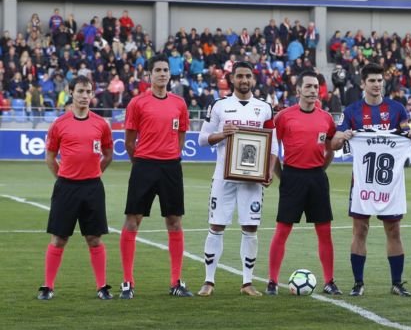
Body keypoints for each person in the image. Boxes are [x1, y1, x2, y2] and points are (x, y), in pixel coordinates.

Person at [331, 63, 411, 297]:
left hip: (390, 184)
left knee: (394, 230)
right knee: (360, 230)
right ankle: (358, 283)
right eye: (372, 80)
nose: (377, 84)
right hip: (361, 182)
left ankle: (397, 283)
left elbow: (404, 131)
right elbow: (335, 143)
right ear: (363, 84)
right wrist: (343, 136)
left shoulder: (396, 109)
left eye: (380, 80)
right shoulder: (352, 112)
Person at [197, 61, 278, 296]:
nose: (244, 80)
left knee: (250, 227)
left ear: (253, 79)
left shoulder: (264, 107)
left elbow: (273, 144)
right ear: (232, 79)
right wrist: (223, 134)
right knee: (216, 225)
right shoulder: (220, 106)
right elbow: (202, 139)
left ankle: (247, 282)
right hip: (224, 177)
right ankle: (209, 281)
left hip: (252, 180)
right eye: (240, 76)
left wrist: (269, 170)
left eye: (248, 76)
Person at [120, 54, 192, 299]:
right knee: (133, 220)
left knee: (174, 221)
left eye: (165, 70)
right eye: (158, 70)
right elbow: (129, 141)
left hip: (171, 167)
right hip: (144, 166)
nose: (162, 74)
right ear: (149, 75)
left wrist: (171, 153)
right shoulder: (137, 103)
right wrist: (141, 162)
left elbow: (181, 135)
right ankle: (127, 282)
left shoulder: (179, 103)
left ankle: (176, 282)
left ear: (170, 74)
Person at [37, 75, 114, 300]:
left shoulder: (101, 124)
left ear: (92, 95)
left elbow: (108, 154)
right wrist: (63, 178)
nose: (84, 96)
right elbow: (50, 157)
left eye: (88, 92)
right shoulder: (59, 124)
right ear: (71, 93)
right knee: (59, 238)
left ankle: (102, 287)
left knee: (94, 238)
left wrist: (95, 172)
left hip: (93, 187)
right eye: (80, 91)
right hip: (66, 188)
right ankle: (48, 287)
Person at [265, 71, 341, 296]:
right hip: (292, 177)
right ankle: (272, 281)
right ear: (298, 90)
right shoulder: (284, 117)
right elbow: (273, 150)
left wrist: (319, 171)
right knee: (282, 230)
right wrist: (281, 175)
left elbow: (330, 149)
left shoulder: (326, 118)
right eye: (308, 86)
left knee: (324, 231)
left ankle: (329, 281)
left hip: (317, 178)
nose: (312, 91)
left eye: (315, 87)